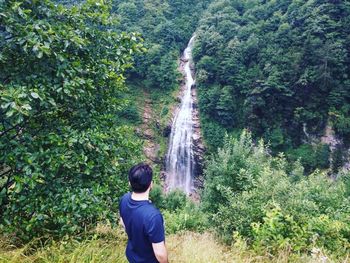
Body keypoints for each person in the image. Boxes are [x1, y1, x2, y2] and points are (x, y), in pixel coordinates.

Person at [119, 163, 168, 263]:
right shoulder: (153, 216)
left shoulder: (124, 199)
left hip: (132, 257)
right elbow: (160, 254)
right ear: (151, 184)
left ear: (129, 183)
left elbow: (123, 222)